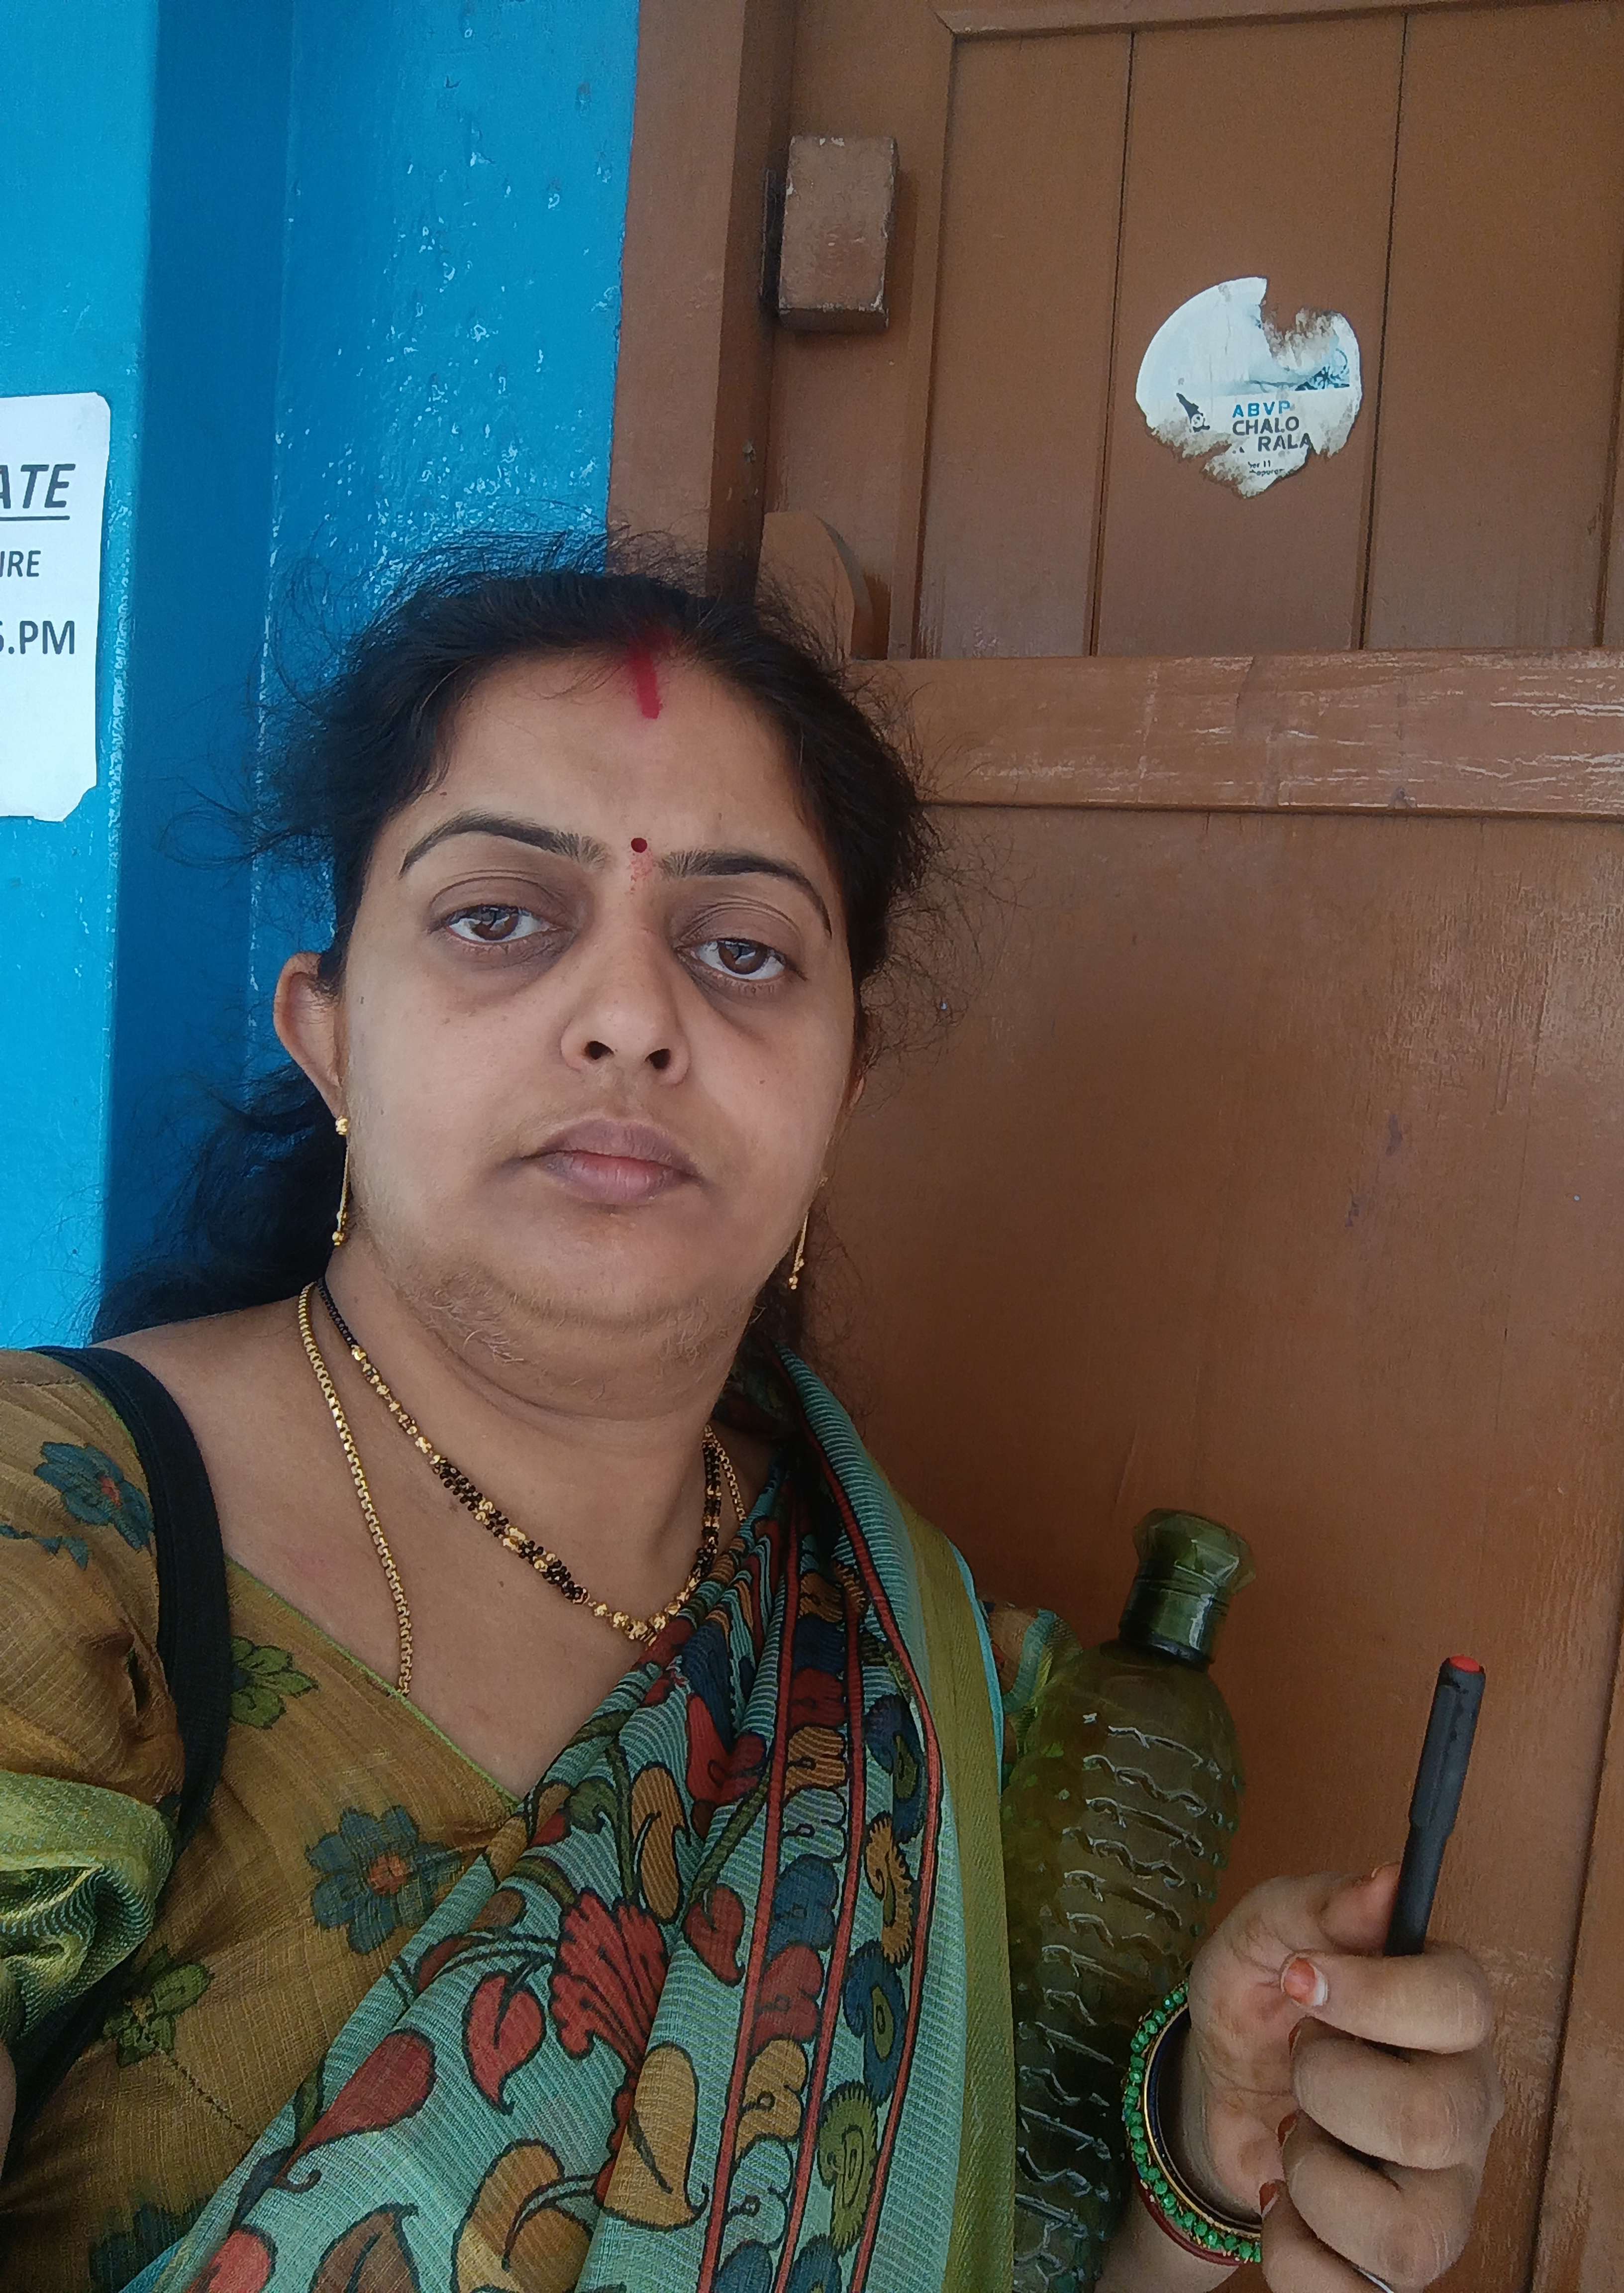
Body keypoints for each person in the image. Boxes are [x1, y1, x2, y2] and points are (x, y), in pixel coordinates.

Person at [0, 542, 1500, 2293]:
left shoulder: (916, 1655)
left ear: (843, 1081)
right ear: (329, 1036)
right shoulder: (63, 1541)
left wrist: (1211, 2170)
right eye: (499, 918)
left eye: (741, 948)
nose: (633, 1017)